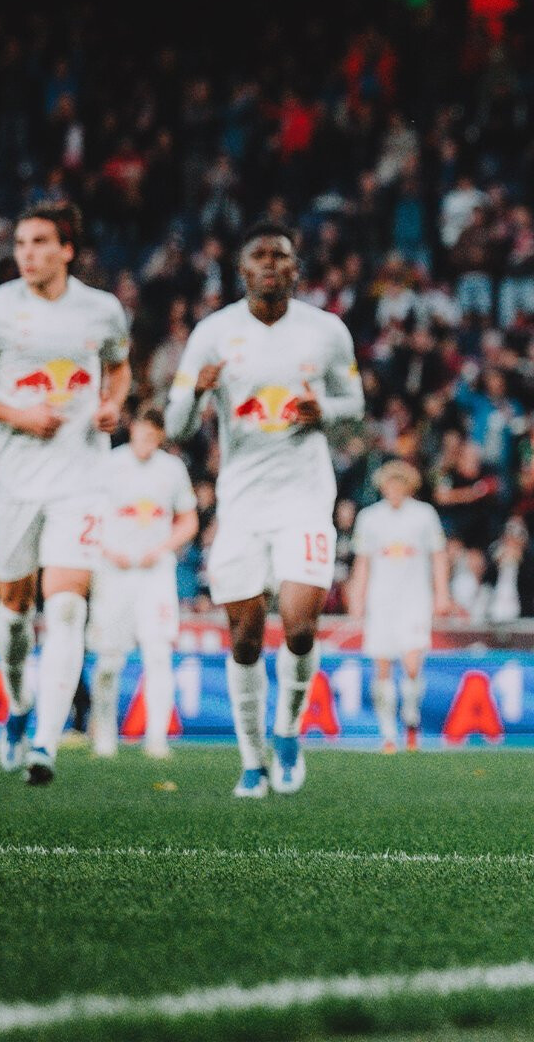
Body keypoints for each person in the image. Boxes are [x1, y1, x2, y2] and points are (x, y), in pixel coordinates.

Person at [0, 202, 131, 784]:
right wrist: (13, 414)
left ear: (67, 249)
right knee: (15, 612)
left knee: (67, 605)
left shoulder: (102, 310)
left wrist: (112, 403)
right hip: (15, 481)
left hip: (82, 480)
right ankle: (18, 709)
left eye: (40, 242)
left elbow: (119, 367)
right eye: (21, 243)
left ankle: (46, 741)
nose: (27, 253)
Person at [166, 222, 365, 798]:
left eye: (282, 255)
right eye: (260, 256)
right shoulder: (213, 333)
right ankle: (252, 761)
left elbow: (355, 408)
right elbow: (176, 426)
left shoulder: (326, 331)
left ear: (296, 269)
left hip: (305, 497)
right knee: (246, 638)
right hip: (243, 503)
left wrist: (321, 408)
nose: (271, 265)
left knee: (301, 628)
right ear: (243, 269)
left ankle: (287, 732)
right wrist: (198, 391)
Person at [90, 405, 198, 759]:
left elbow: (188, 520)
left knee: (159, 653)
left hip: (155, 573)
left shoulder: (172, 469)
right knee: (109, 659)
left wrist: (164, 546)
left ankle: (156, 738)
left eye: (153, 436)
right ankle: (104, 733)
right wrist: (106, 549)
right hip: (114, 571)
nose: (145, 442)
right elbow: (87, 515)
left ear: (160, 437)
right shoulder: (108, 465)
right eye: (141, 433)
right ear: (131, 428)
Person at [347, 461, 451, 753]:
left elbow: (439, 555)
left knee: (412, 664)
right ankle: (388, 733)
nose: (394, 489)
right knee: (381, 665)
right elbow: (362, 562)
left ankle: (411, 715)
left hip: (415, 599)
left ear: (408, 486)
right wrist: (357, 597)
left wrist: (442, 593)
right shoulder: (369, 517)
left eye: (400, 483)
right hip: (381, 601)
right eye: (389, 483)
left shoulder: (424, 515)